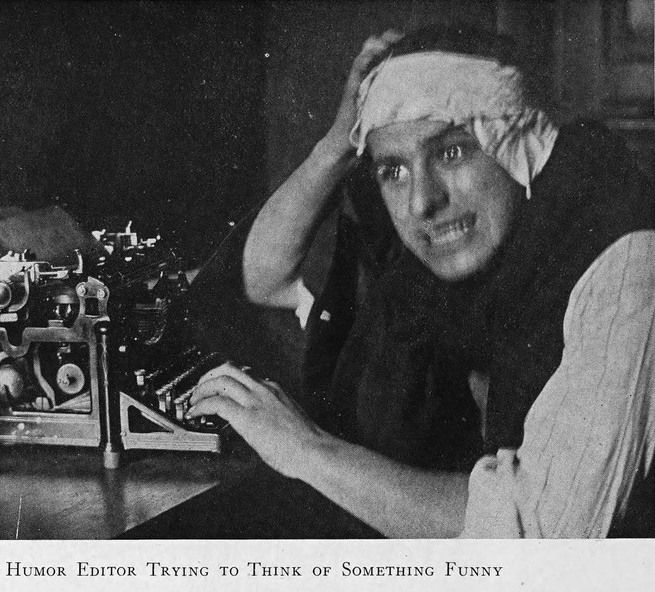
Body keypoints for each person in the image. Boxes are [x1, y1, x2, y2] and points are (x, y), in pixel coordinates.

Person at [186, 26, 655, 538]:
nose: (422, 202)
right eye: (394, 170)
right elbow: (265, 278)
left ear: (519, 145)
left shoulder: (626, 260)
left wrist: (304, 450)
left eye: (452, 152)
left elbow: (541, 533)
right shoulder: (441, 253)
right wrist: (340, 142)